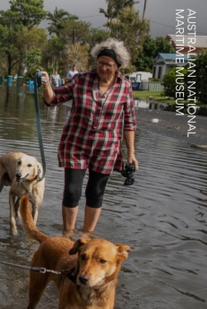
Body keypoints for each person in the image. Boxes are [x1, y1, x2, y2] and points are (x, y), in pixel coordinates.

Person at [40, 38, 138, 237]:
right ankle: (68, 234)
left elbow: (129, 122)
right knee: (72, 190)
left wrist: (131, 154)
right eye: (100, 63)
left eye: (108, 65)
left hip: (106, 148)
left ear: (117, 66)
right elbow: (54, 99)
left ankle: (87, 236)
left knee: (95, 193)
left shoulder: (125, 87)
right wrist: (46, 84)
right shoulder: (81, 80)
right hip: (76, 144)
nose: (103, 68)